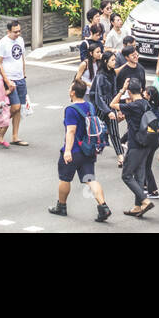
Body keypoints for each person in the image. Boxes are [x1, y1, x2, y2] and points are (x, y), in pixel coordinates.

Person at [47, 79, 112, 222]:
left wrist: (67, 151)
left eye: (70, 89)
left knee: (65, 178)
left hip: (75, 150)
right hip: (88, 150)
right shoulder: (90, 106)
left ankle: (61, 206)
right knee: (90, 179)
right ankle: (103, 207)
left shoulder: (71, 110)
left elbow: (71, 131)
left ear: (73, 92)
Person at [111, 78, 159, 215]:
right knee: (139, 175)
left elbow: (112, 104)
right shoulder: (146, 103)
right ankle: (137, 207)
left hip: (135, 145)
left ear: (129, 92)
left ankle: (145, 201)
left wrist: (121, 90)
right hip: (147, 143)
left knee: (126, 175)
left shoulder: (132, 106)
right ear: (141, 90)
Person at [0, 20, 29, 145]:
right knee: (15, 107)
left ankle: (15, 136)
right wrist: (6, 80)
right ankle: (0, 127)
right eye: (15, 32)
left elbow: (22, 57)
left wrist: (23, 74)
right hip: (10, 79)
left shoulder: (20, 40)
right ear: (8, 31)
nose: (18, 34)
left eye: (19, 31)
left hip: (20, 78)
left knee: (19, 109)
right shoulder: (3, 43)